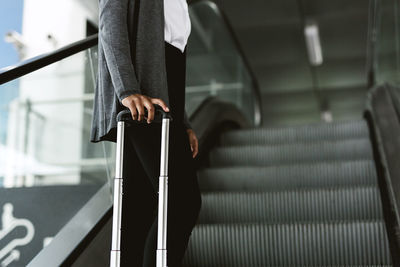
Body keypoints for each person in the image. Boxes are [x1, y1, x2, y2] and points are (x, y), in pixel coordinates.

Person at [89, 0, 202, 266]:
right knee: (183, 202)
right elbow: (111, 23)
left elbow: (169, 65)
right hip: (144, 104)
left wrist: (183, 122)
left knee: (138, 212)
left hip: (161, 102)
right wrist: (128, 90)